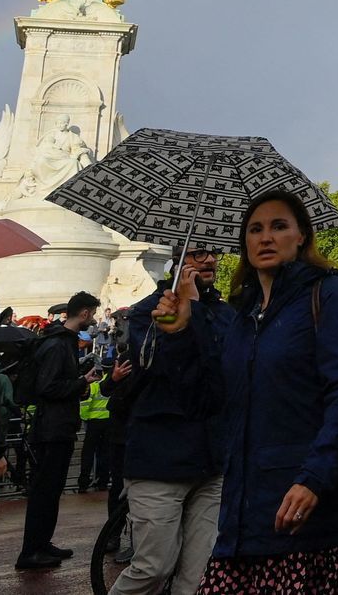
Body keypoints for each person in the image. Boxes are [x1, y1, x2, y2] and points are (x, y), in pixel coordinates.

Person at [157, 188, 338, 593]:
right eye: (255, 229)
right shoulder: (244, 314)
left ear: (302, 236)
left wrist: (314, 479)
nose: (265, 237)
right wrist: (180, 334)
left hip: (306, 518)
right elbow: (207, 402)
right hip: (242, 518)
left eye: (278, 226)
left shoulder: (330, 294)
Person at [116, 247, 231, 595]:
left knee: (198, 578)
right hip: (159, 459)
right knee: (153, 568)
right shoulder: (145, 313)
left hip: (210, 460)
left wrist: (194, 310)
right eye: (198, 254)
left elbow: (223, 371)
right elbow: (166, 370)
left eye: (214, 254)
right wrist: (188, 312)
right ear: (178, 260)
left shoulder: (224, 313)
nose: (209, 261)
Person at [16, 290, 97, 570]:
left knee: (51, 490)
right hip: (52, 428)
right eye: (92, 314)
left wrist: (78, 383)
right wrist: (79, 383)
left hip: (58, 424)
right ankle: (31, 550)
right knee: (44, 491)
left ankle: (41, 543)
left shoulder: (60, 342)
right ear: (84, 313)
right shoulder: (58, 345)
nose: (94, 319)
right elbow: (47, 387)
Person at [78, 365, 113, 492]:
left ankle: (84, 482)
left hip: (93, 423)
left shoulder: (94, 385)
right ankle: (102, 481)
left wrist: (85, 418)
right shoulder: (111, 384)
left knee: (88, 453)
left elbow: (85, 404)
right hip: (108, 421)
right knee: (105, 453)